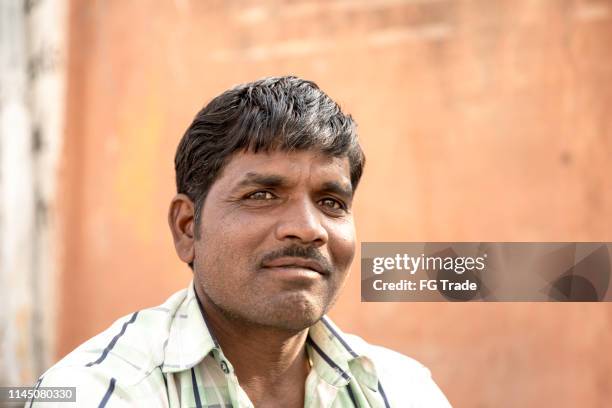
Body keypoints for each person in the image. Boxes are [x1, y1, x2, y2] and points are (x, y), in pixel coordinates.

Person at [29, 76, 451, 407]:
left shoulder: (401, 389)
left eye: (330, 201)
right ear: (187, 228)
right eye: (262, 195)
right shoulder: (98, 393)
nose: (309, 228)